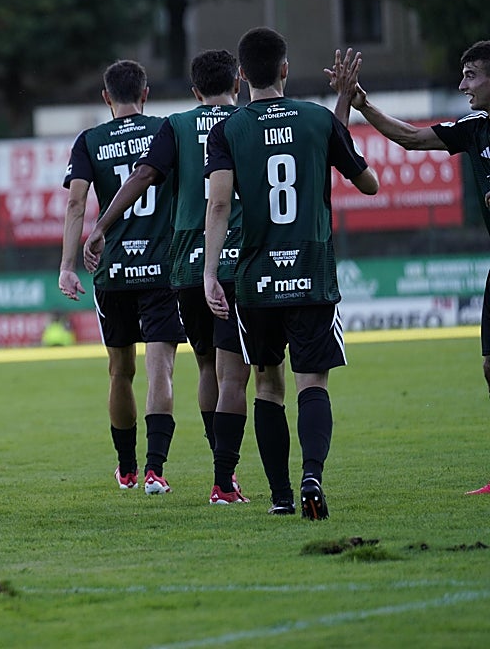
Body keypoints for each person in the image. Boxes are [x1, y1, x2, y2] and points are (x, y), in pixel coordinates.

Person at [83, 50, 292, 511]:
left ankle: (216, 473)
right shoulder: (248, 123)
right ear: (237, 84)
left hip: (183, 268)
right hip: (236, 262)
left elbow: (143, 175)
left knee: (204, 367)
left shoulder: (174, 126)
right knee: (233, 371)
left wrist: (101, 226)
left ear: (194, 91)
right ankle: (223, 479)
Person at [203, 27, 378, 521]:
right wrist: (342, 108)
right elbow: (367, 182)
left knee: (267, 384)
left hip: (255, 276)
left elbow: (218, 204)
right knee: (313, 384)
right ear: (285, 68)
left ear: (241, 76)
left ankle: (280, 495)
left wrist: (211, 274)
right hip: (312, 270)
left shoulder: (228, 129)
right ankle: (312, 476)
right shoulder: (317, 119)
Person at [334, 41, 490, 496]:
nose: (463, 85)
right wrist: (365, 106)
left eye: (472, 76)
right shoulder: (477, 126)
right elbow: (412, 138)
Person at [58, 59, 183, 495]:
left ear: (106, 97)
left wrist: (67, 265)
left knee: (120, 371)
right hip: (163, 265)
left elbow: (76, 206)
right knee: (161, 368)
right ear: (145, 94)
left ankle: (127, 468)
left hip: (112, 270)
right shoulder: (167, 130)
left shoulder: (90, 140)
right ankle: (155, 470)